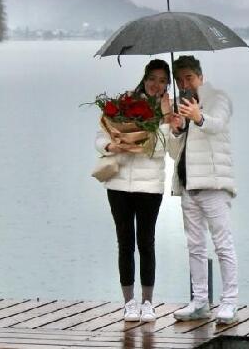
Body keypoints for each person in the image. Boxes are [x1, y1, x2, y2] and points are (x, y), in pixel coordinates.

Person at [95, 59, 172, 323]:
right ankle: (129, 303)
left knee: (146, 242)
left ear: (167, 85)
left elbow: (162, 150)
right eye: (152, 78)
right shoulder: (124, 103)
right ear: (145, 78)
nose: (156, 84)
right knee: (125, 243)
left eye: (162, 80)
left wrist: (163, 118)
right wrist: (111, 146)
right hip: (118, 185)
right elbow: (100, 136)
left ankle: (148, 302)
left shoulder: (168, 111)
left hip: (150, 186)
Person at [166, 55, 239, 324]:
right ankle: (199, 301)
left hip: (213, 184)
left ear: (200, 77)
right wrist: (175, 131)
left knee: (223, 244)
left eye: (190, 77)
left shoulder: (218, 98)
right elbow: (174, 153)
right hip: (188, 185)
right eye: (180, 79)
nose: (185, 83)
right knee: (195, 246)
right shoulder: (179, 106)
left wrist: (198, 117)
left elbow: (217, 124)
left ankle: (229, 302)